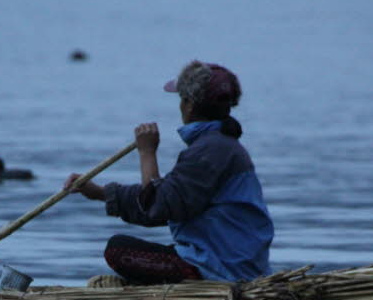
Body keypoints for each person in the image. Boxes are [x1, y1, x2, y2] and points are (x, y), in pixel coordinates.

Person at [63, 60, 274, 284]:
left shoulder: (211, 149)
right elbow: (169, 196)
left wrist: (147, 152)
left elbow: (158, 206)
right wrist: (99, 193)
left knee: (117, 249)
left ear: (189, 104)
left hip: (223, 267)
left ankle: (194, 281)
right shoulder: (219, 145)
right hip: (235, 263)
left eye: (181, 99)